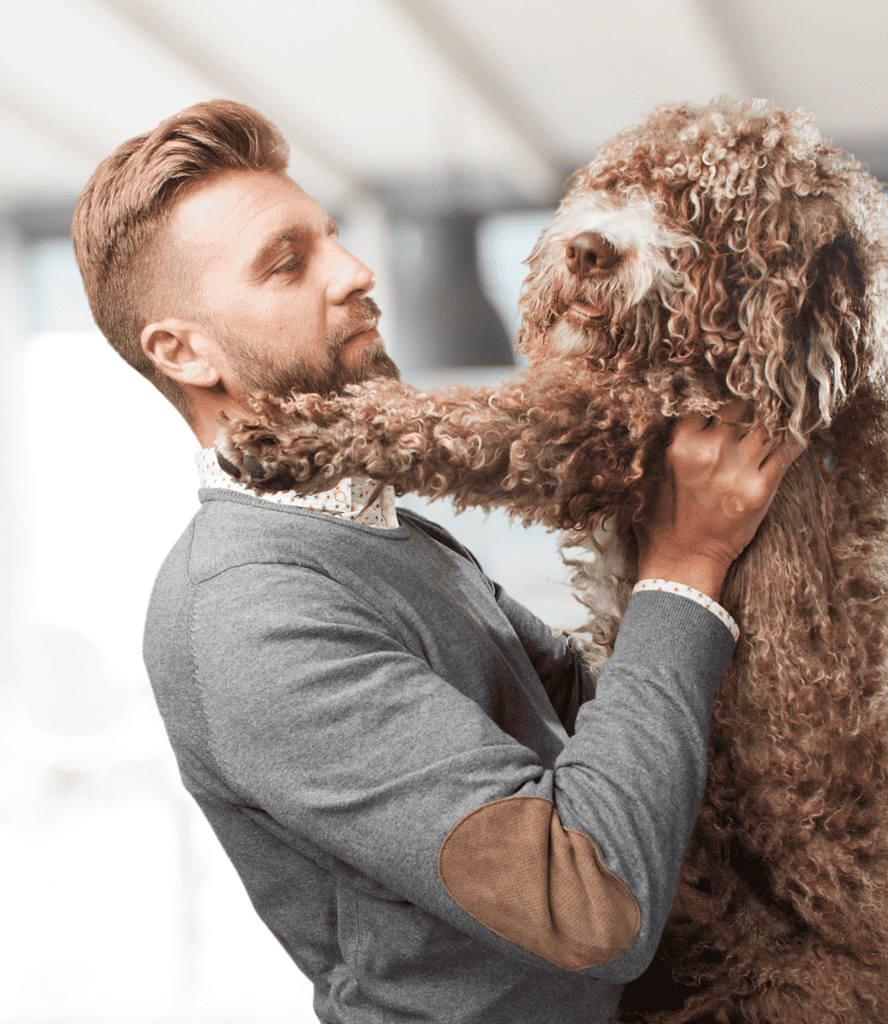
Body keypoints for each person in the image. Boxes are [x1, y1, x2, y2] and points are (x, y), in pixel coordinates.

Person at [71, 100, 798, 1023]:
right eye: (289, 264)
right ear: (185, 351)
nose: (356, 271)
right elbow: (586, 907)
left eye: (330, 236)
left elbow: (586, 718)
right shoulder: (250, 611)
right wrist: (688, 558)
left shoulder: (373, 531)